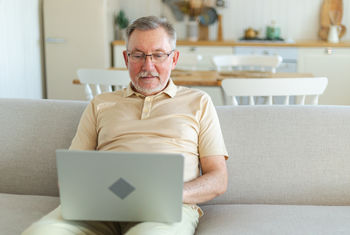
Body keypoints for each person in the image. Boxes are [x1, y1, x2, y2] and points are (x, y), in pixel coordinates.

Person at [22, 16, 228, 235]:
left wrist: (168, 194)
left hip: (166, 211)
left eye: (158, 55)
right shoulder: (100, 104)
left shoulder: (199, 102)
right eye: (138, 55)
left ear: (174, 58)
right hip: (98, 208)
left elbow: (218, 179)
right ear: (126, 58)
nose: (148, 66)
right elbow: (69, 176)